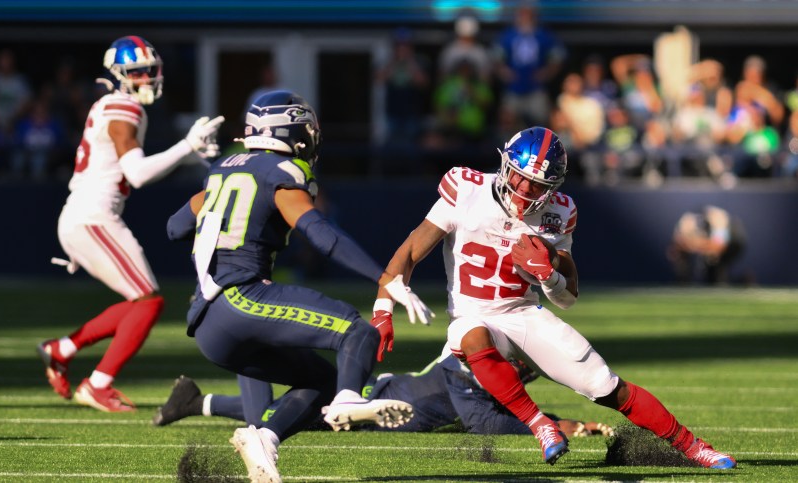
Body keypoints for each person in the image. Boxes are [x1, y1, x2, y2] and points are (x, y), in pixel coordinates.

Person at [359, 126, 736, 469]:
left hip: (522, 314)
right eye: (520, 179)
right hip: (472, 314)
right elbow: (411, 249)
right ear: (505, 166)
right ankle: (541, 425)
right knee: (470, 333)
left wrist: (548, 272)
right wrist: (383, 305)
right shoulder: (466, 187)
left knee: (606, 386)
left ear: (552, 187)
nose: (525, 192)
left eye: (537, 186)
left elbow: (568, 297)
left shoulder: (559, 212)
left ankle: (695, 448)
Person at [165, 89, 434, 483]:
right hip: (241, 297)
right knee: (355, 329)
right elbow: (321, 234)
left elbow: (174, 228)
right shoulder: (283, 172)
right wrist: (384, 277)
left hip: (207, 325)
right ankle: (348, 399)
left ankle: (265, 439)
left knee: (319, 380)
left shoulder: (223, 169)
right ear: (293, 133)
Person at [36, 36, 225, 413]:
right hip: (93, 217)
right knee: (149, 302)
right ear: (118, 75)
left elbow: (128, 166)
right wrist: (187, 146)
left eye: (151, 70)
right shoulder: (124, 106)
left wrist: (190, 156)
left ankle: (62, 349)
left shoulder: (115, 105)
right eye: (138, 72)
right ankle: (98, 383)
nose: (148, 78)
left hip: (86, 217)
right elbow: (136, 173)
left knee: (141, 300)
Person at [153, 354, 614, 439]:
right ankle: (203, 397)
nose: (523, 379)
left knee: (302, 414)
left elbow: (506, 408)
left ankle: (196, 401)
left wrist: (564, 421)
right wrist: (556, 426)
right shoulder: (468, 367)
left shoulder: (481, 367)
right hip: (379, 399)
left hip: (391, 397)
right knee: (300, 415)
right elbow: (488, 421)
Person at [667, 206, 747, 285]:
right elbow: (677, 244)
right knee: (680, 256)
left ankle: (742, 281)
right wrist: (691, 246)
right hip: (707, 243)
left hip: (733, 240)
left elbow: (720, 246)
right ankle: (683, 283)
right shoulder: (686, 222)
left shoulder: (718, 219)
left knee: (715, 271)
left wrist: (698, 246)